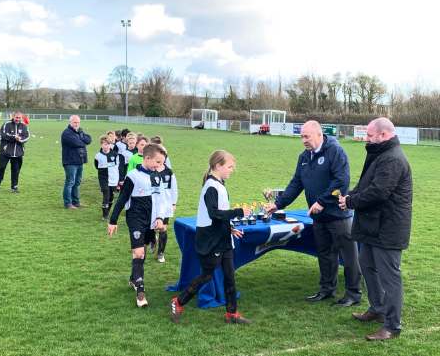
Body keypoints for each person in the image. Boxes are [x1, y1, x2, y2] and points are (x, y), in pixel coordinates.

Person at [266, 121, 361, 306]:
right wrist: (277, 204)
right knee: (325, 254)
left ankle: (353, 294)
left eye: (306, 136)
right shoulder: (304, 157)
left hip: (338, 215)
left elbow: (341, 181)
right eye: (301, 136)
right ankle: (326, 289)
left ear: (319, 134)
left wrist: (321, 202)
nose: (303, 140)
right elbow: (296, 184)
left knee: (349, 256)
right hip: (318, 217)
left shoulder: (335, 152)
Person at [339, 117, 412, 341]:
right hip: (373, 225)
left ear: (383, 135)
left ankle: (392, 326)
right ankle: (378, 309)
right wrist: (350, 195)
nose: (366, 139)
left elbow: (379, 192)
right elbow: (366, 185)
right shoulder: (379, 154)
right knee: (367, 264)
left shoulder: (393, 159)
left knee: (390, 277)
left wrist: (350, 202)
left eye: (370, 135)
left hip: (389, 228)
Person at [170, 150, 249, 324]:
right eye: (229, 167)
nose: (232, 170)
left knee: (229, 276)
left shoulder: (220, 183)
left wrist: (230, 229)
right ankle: (178, 301)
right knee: (206, 275)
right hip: (211, 241)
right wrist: (239, 212)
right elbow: (214, 213)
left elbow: (218, 214)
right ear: (218, 166)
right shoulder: (211, 187)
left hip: (222, 238)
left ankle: (231, 313)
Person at [107, 144, 167, 308]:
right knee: (139, 253)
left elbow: (160, 200)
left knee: (143, 251)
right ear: (147, 158)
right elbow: (122, 199)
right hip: (135, 218)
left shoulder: (157, 177)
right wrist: (113, 221)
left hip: (150, 220)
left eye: (161, 162)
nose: (159, 165)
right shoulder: (132, 176)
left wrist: (160, 218)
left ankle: (134, 278)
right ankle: (140, 292)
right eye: (157, 161)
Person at [0, 111, 30, 194]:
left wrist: (20, 140)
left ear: (21, 118)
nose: (17, 119)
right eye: (16, 117)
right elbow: (3, 134)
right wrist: (14, 137)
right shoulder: (7, 124)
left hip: (18, 153)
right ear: (13, 116)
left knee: (16, 170)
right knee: (1, 168)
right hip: (5, 152)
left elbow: (27, 137)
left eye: (19, 118)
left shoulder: (24, 126)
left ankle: (14, 186)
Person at [61, 115, 92, 209]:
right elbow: (78, 143)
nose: (77, 124)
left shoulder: (79, 132)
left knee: (77, 182)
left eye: (78, 122)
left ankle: (76, 202)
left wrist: (81, 137)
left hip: (79, 161)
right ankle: (68, 203)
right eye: (75, 122)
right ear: (70, 122)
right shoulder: (66, 133)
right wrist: (82, 139)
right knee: (70, 182)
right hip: (70, 162)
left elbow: (89, 140)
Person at [94, 135, 125, 220]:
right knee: (106, 194)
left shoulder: (115, 155)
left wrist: (120, 179)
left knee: (111, 196)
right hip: (103, 178)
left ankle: (108, 210)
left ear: (110, 145)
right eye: (104, 144)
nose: (106, 146)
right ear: (101, 145)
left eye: (107, 144)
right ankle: (105, 215)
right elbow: (96, 166)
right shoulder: (97, 156)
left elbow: (119, 167)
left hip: (113, 179)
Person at [154, 150, 178, 263]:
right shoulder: (151, 170)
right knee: (153, 227)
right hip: (152, 204)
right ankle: (152, 238)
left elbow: (174, 188)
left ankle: (161, 253)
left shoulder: (169, 172)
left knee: (163, 228)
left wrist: (173, 203)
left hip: (165, 205)